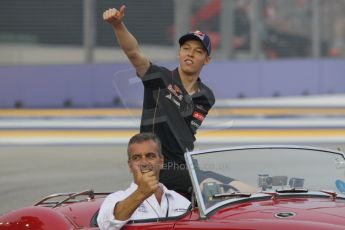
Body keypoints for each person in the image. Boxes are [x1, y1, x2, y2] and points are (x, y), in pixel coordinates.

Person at [103, 5, 215, 198]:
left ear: (206, 60)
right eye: (186, 48)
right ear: (179, 53)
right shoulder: (159, 78)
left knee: (230, 186)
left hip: (183, 166)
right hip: (154, 166)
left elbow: (186, 134)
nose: (190, 53)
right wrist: (118, 25)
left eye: (198, 51)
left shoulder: (206, 95)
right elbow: (134, 53)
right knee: (210, 184)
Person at [97, 133, 190, 230]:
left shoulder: (181, 201)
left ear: (161, 161)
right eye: (137, 158)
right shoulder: (115, 198)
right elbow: (105, 226)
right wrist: (141, 192)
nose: (144, 163)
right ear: (130, 165)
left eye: (150, 156)